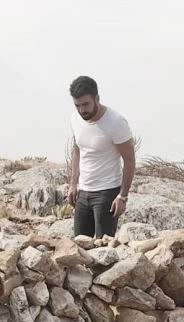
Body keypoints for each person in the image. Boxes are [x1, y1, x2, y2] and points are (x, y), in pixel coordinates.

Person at [67, 75, 135, 238]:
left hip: (107, 192)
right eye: (77, 105)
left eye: (86, 104)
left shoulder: (116, 122)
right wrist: (73, 184)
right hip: (83, 192)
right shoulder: (75, 119)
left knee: (103, 249)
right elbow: (77, 150)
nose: (82, 110)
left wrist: (123, 196)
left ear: (97, 98)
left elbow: (130, 160)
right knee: (80, 246)